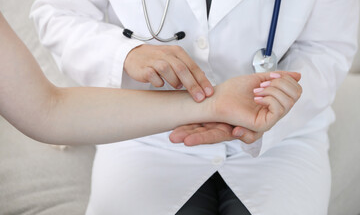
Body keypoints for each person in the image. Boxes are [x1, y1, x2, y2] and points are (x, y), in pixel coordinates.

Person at [30, 0, 359, 214]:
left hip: (279, 137)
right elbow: (57, 15)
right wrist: (125, 54)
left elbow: (327, 47)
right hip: (147, 130)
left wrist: (280, 103)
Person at [0, 12, 300, 146]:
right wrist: (125, 53)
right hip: (143, 148)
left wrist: (214, 104)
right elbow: (58, 16)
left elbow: (48, 111)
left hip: (275, 147)